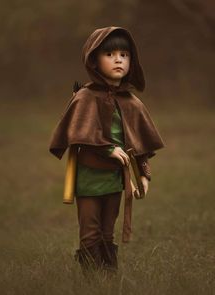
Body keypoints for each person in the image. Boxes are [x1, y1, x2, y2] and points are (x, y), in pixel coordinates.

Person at [49, 26, 165, 276]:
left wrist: (144, 173)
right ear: (94, 59)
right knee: (90, 231)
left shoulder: (132, 102)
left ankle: (108, 277)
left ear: (131, 61)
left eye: (124, 54)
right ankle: (92, 280)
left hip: (115, 180)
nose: (118, 59)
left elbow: (140, 143)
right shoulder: (84, 97)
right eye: (110, 54)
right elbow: (79, 133)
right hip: (89, 178)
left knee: (107, 231)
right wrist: (108, 149)